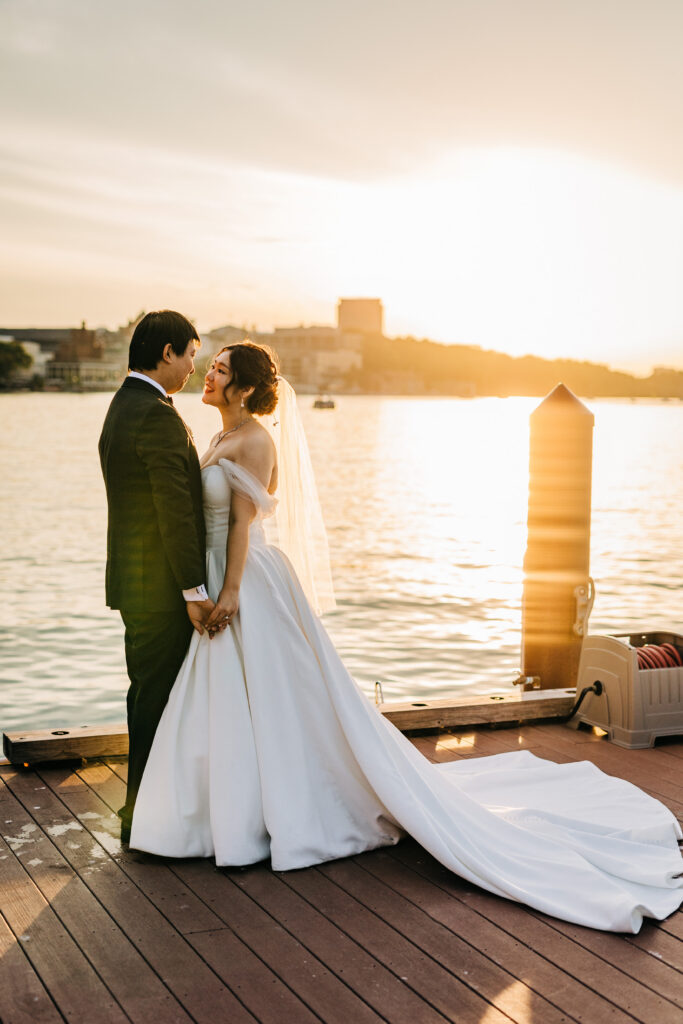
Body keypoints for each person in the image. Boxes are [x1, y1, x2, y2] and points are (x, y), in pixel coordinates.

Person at [130, 341, 683, 933]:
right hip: (218, 577)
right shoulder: (216, 435)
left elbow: (242, 524)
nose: (206, 377)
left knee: (277, 696)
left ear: (241, 386)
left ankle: (274, 811)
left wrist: (232, 591)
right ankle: (221, 814)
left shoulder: (256, 439)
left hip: (247, 581)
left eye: (217, 370)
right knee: (232, 699)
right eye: (207, 366)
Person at [99, 310, 221, 843]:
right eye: (192, 353)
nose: (194, 365)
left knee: (146, 694)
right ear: (167, 352)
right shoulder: (154, 414)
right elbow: (173, 510)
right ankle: (146, 817)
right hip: (160, 588)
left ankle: (142, 809)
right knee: (159, 698)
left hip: (136, 581)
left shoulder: (124, 406)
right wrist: (194, 591)